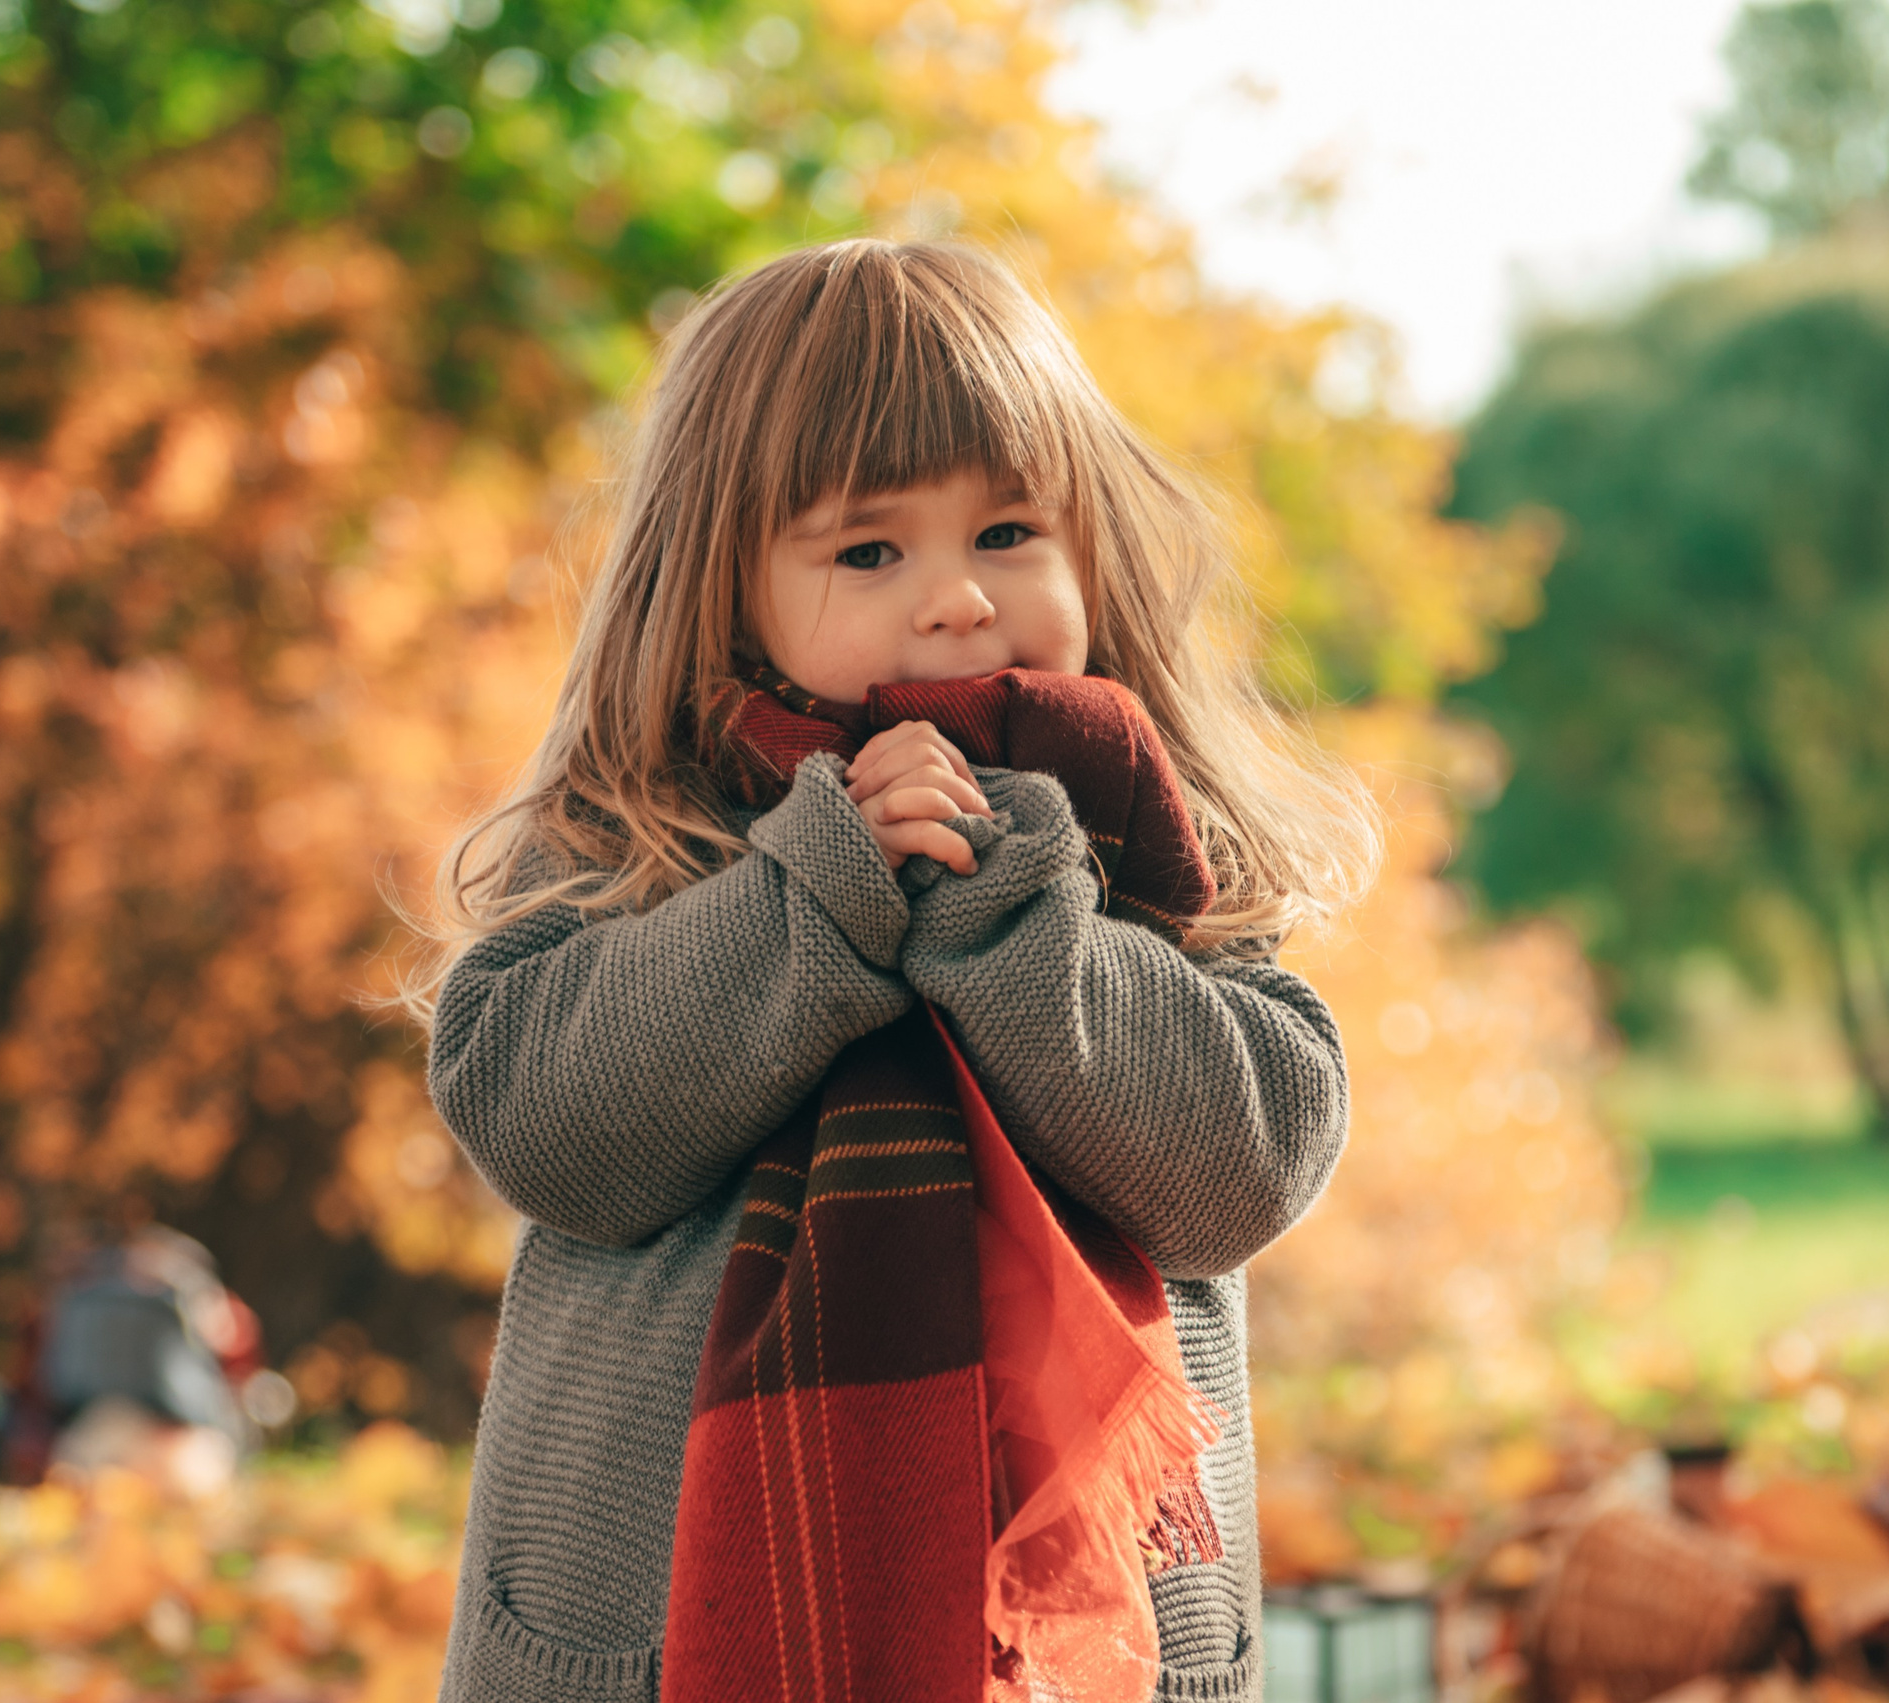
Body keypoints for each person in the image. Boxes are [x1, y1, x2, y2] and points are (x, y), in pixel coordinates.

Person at [407, 240, 1367, 1703]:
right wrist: (817, 897)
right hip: (668, 1638)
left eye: (1007, 535)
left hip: (1074, 1651)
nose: (956, 602)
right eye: (869, 551)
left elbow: (1241, 1172)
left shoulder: (1153, 848)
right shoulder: (644, 831)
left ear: (1091, 547)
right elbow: (550, 1128)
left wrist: (1015, 924)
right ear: (723, 584)